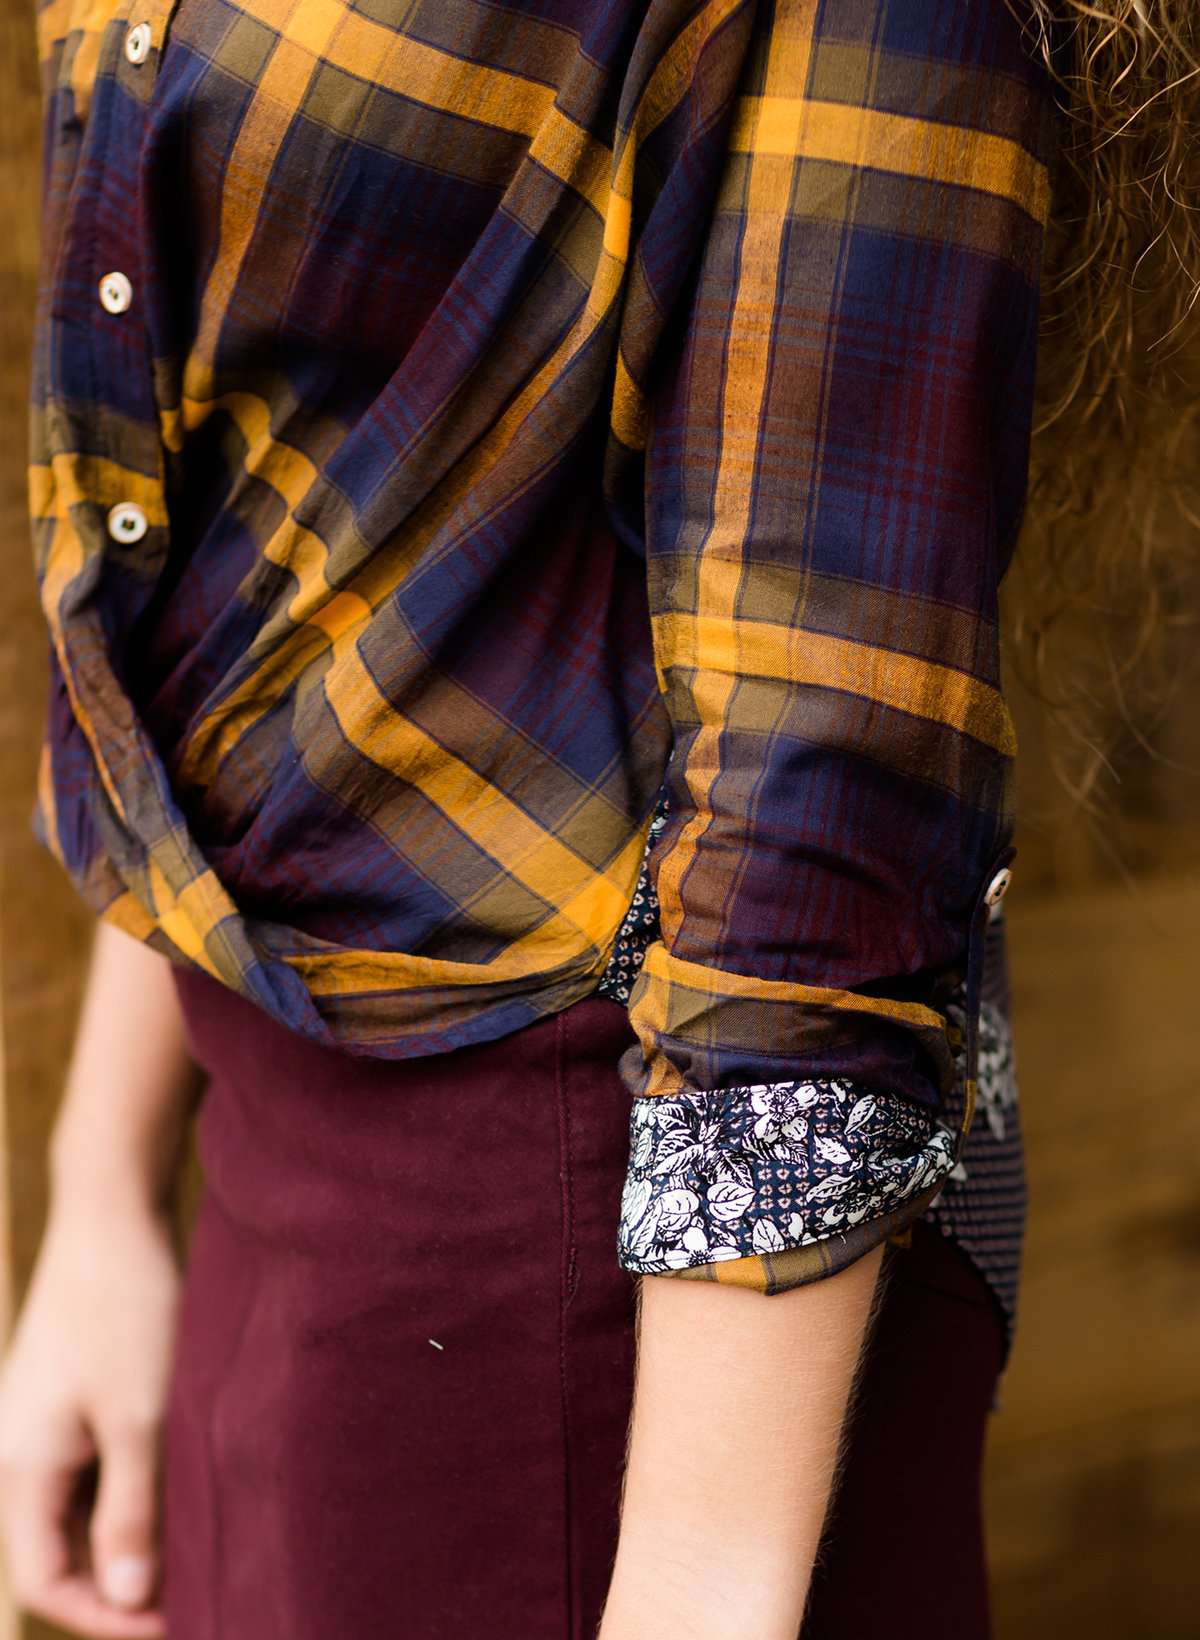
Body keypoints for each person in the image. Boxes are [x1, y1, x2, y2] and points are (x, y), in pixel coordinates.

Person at [0, 0, 1189, 1636]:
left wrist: (700, 1586)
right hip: (273, 1179)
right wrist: (104, 1186)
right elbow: (266, 522)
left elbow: (820, 782)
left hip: (597, 1293)